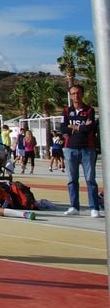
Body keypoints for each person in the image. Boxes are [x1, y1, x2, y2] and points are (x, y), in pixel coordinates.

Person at [61, 84, 100, 217]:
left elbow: (89, 128)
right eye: (73, 93)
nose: (76, 96)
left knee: (90, 179)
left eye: (78, 93)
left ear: (82, 94)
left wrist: (73, 127)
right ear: (70, 96)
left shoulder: (89, 110)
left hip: (87, 148)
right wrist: (81, 127)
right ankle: (74, 207)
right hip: (70, 148)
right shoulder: (66, 111)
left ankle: (94, 208)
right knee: (72, 179)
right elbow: (63, 129)